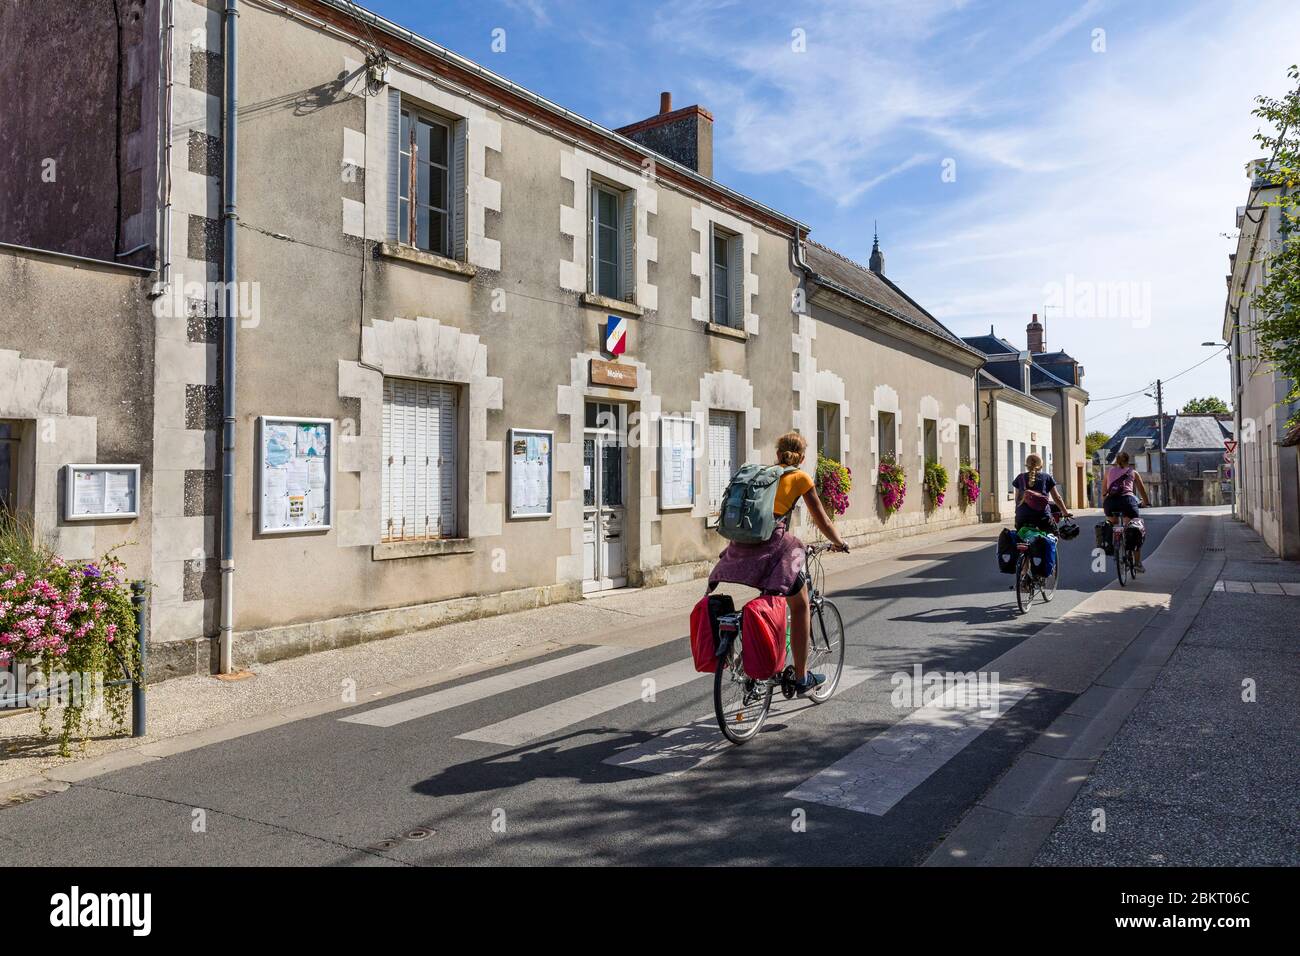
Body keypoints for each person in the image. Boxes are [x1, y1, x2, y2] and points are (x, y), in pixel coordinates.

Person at [707, 432, 848, 696]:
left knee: (770, 602)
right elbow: (823, 521)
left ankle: (748, 663)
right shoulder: (800, 478)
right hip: (774, 547)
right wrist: (840, 542)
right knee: (801, 604)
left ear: (777, 454)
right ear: (803, 457)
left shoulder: (765, 475)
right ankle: (803, 677)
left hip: (743, 547)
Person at [1103, 451, 1151, 571]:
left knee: (1111, 523)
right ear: (1128, 460)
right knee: (1135, 528)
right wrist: (1146, 502)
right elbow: (1141, 490)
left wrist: (1107, 503)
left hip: (1110, 502)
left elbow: (1104, 492)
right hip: (1127, 501)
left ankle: (1113, 542)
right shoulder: (1133, 472)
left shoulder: (1108, 472)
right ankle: (1137, 563)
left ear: (1116, 460)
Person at [1012, 453, 1072, 533]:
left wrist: (1018, 515)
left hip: (1022, 518)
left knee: (1021, 539)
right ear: (1041, 466)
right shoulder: (1046, 477)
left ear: (1026, 465)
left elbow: (1017, 500)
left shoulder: (1020, 478)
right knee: (1053, 535)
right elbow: (1057, 498)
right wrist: (1065, 512)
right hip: (1042, 517)